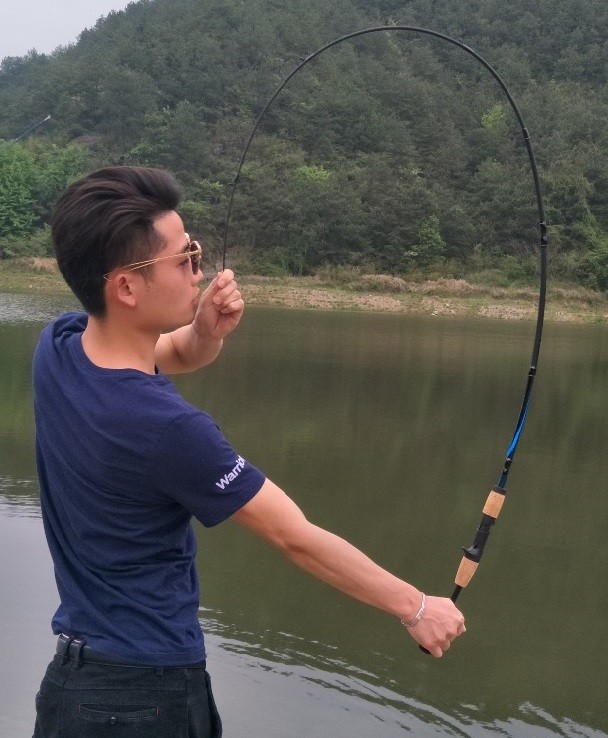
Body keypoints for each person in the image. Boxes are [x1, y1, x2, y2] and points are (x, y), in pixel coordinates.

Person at [32, 165, 465, 738]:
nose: (200, 272)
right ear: (127, 288)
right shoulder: (169, 430)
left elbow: (169, 354)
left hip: (72, 688)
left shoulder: (60, 348)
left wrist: (205, 332)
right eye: (185, 259)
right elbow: (294, 537)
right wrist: (416, 608)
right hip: (144, 697)